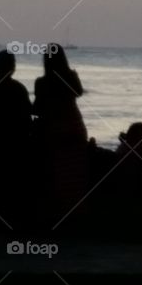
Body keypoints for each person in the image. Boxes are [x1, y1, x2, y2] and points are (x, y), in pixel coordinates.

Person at [33, 44, 89, 217]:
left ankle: (59, 213)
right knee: (75, 173)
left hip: (53, 129)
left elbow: (37, 108)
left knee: (57, 174)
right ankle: (76, 212)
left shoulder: (41, 82)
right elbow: (78, 92)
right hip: (74, 126)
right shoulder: (71, 76)